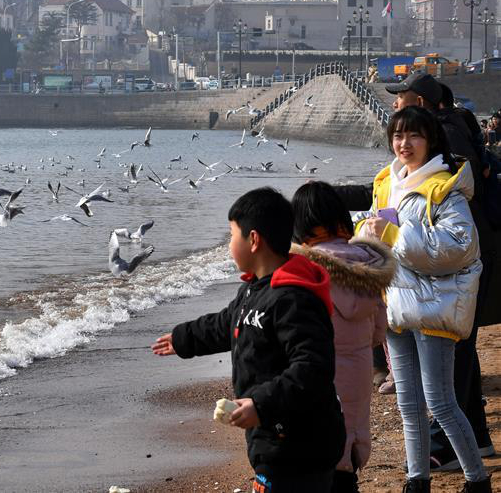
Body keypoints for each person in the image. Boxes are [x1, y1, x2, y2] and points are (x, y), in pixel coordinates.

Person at [334, 72, 499, 470]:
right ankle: (418, 476)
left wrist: (391, 233)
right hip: (399, 300)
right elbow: (379, 220)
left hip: (438, 297)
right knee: (411, 403)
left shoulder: (446, 174)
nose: (403, 141)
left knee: (441, 397)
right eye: (397, 136)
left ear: (423, 108)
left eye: (402, 99)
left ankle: (472, 468)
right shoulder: (390, 179)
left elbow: (455, 241)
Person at [152, 187, 345, 492]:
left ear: (253, 240)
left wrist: (260, 404)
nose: (229, 245)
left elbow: (313, 367)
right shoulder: (254, 291)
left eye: (231, 236)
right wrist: (182, 338)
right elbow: (225, 324)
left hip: (298, 442)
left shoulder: (293, 299)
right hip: (273, 437)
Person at [291, 181, 396, 493]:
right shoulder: (369, 267)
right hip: (359, 371)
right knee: (348, 445)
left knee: (318, 454)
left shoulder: (304, 271)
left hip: (321, 379)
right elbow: (379, 332)